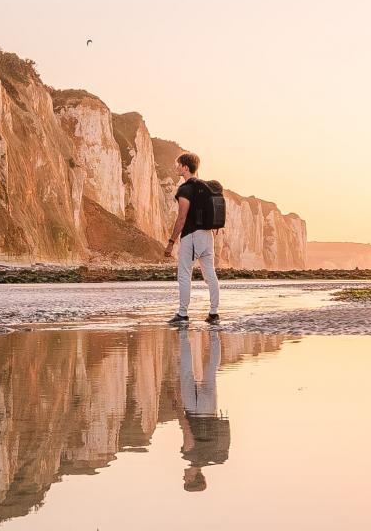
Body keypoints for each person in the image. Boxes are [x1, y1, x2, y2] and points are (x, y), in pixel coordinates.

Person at [165, 151, 219, 324]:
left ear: (185, 168)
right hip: (208, 236)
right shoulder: (205, 187)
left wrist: (171, 242)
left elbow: (181, 218)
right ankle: (214, 313)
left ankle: (182, 314)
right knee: (210, 274)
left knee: (184, 274)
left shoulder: (185, 189)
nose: (176, 167)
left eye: (178, 164)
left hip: (192, 236)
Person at [177, 326, 229, 491]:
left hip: (209, 410)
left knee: (211, 371)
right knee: (186, 372)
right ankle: (183, 334)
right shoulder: (190, 455)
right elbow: (187, 432)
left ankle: (214, 334)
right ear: (193, 478)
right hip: (192, 410)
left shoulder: (210, 454)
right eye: (186, 479)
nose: (183, 476)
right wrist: (177, 410)